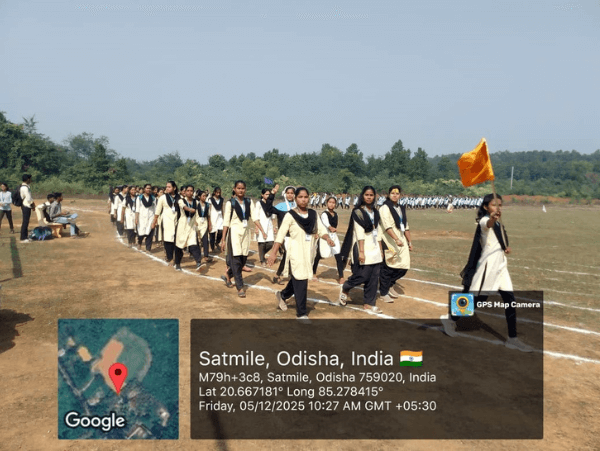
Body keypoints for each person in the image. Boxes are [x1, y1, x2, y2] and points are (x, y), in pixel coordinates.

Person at [440, 193, 533, 352]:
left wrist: (505, 248)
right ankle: (450, 319)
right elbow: (488, 224)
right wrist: (492, 218)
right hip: (488, 268)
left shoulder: (499, 225)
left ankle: (512, 338)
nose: (498, 208)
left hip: (501, 267)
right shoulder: (484, 221)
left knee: (510, 300)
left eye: (500, 205)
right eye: (494, 205)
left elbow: (500, 241)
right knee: (477, 299)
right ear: (486, 207)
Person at [267, 187, 334, 322]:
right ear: (296, 199)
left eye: (305, 197)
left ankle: (282, 295)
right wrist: (273, 253)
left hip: (308, 252)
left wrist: (327, 238)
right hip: (295, 252)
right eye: (300, 197)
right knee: (301, 280)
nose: (303, 200)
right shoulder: (290, 215)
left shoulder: (313, 214)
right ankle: (301, 313)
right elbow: (280, 235)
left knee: (298, 278)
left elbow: (321, 230)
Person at [338, 186, 385, 313]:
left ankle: (369, 303)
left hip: (375, 247)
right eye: (366, 195)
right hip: (362, 246)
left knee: (374, 277)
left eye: (371, 195)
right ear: (362, 196)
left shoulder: (376, 212)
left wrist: (380, 250)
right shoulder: (357, 212)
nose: (369, 197)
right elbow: (359, 233)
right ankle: (346, 287)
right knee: (363, 275)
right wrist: (362, 252)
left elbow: (378, 232)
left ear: (374, 197)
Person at [220, 180, 266, 297]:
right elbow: (226, 222)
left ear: (245, 190)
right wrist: (223, 239)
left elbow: (254, 218)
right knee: (236, 260)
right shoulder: (230, 203)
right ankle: (240, 287)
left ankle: (228, 274)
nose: (241, 190)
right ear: (234, 189)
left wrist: (262, 230)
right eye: (238, 188)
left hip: (246, 233)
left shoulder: (249, 202)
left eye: (243, 188)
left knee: (243, 259)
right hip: (234, 233)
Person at [378, 185, 412, 303]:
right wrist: (396, 239)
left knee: (404, 266)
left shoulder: (401, 208)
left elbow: (406, 226)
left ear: (400, 195)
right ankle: (383, 293)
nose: (395, 195)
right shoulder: (384, 208)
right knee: (388, 267)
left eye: (397, 193)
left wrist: (409, 241)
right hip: (388, 240)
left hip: (401, 240)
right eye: (392, 193)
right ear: (388, 194)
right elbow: (387, 226)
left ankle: (390, 284)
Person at [312, 196, 344, 284]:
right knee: (319, 255)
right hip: (324, 237)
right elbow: (325, 223)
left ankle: (341, 277)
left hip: (334, 237)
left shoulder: (336, 214)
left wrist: (333, 230)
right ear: (327, 203)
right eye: (330, 202)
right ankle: (313, 273)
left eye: (333, 203)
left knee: (338, 255)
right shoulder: (324, 214)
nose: (331, 204)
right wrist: (330, 227)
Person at [269, 185, 296, 285]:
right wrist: (272, 194)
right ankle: (279, 275)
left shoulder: (297, 207)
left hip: (295, 236)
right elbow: (269, 208)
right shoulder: (281, 206)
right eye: (288, 193)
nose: (290, 195)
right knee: (288, 255)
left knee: (289, 256)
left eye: (292, 193)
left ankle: (279, 275)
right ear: (285, 194)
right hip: (285, 236)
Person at [174, 185, 203, 271]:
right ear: (185, 192)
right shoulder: (181, 201)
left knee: (193, 244)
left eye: (191, 191)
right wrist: (190, 209)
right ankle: (178, 263)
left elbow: (198, 213)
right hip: (182, 226)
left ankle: (198, 262)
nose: (189, 192)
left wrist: (198, 223)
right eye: (188, 190)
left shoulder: (196, 202)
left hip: (191, 226)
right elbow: (184, 207)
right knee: (179, 245)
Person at [152, 181, 179, 264]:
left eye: (169, 187)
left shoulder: (179, 197)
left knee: (176, 240)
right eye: (166, 187)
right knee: (167, 240)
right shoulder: (163, 198)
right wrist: (154, 221)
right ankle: (169, 257)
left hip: (177, 221)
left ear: (174, 188)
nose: (167, 188)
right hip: (166, 221)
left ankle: (175, 257)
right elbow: (158, 210)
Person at [256, 188, 277, 267]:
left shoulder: (271, 203)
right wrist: (257, 227)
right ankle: (262, 260)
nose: (268, 196)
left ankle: (262, 254)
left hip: (269, 225)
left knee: (270, 243)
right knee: (261, 242)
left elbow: (273, 216)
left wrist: (274, 227)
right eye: (266, 194)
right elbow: (256, 216)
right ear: (262, 195)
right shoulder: (259, 203)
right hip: (261, 224)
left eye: (269, 194)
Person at [135, 184, 156, 252]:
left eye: (150, 188)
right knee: (141, 233)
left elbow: (155, 209)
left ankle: (148, 249)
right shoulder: (139, 198)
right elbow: (137, 209)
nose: (148, 190)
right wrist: (136, 218)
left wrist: (155, 220)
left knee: (150, 233)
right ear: (144, 189)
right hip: (141, 218)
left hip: (150, 217)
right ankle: (139, 243)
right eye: (147, 188)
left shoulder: (153, 198)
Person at [196, 189, 213, 263]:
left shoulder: (207, 205)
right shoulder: (196, 204)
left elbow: (208, 215)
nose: (204, 197)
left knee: (205, 239)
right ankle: (197, 255)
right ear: (199, 197)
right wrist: (194, 222)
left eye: (205, 196)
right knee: (197, 240)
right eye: (203, 196)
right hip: (197, 222)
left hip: (205, 223)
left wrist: (210, 225)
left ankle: (206, 255)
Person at [19, 174, 35, 242]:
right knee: (25, 222)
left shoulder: (26, 186)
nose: (31, 180)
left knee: (26, 221)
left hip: (27, 205)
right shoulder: (24, 188)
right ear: (27, 179)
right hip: (26, 205)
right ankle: (23, 238)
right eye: (30, 179)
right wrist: (33, 205)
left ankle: (25, 236)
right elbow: (28, 198)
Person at [209, 187, 224, 252]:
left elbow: (222, 208)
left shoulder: (221, 199)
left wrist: (223, 217)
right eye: (217, 193)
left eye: (219, 193)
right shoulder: (211, 199)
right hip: (213, 217)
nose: (218, 194)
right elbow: (209, 209)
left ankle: (217, 242)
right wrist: (209, 219)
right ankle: (212, 248)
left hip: (220, 217)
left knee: (221, 231)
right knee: (213, 233)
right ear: (214, 192)